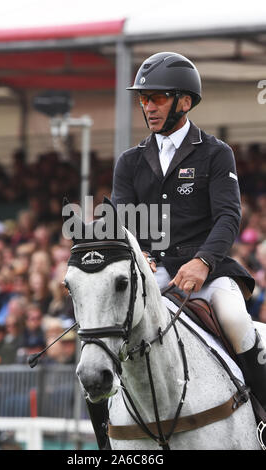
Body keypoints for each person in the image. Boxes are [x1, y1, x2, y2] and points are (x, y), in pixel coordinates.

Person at [110, 52, 266, 432]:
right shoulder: (130, 161)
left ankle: (261, 416)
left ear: (184, 101)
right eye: (143, 99)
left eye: (158, 97)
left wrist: (203, 262)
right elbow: (122, 222)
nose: (148, 106)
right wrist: (140, 257)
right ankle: (108, 431)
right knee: (108, 331)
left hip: (208, 270)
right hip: (153, 271)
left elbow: (229, 216)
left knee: (234, 320)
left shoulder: (215, 153)